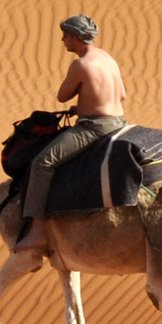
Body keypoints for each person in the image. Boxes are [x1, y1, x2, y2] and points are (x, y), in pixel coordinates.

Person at [15, 13, 130, 250]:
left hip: (95, 127)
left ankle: (37, 230)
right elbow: (121, 95)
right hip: (118, 121)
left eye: (65, 35)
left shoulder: (80, 64)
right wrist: (85, 105)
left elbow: (62, 96)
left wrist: (86, 107)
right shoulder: (107, 58)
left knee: (43, 162)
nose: (62, 40)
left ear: (76, 38)